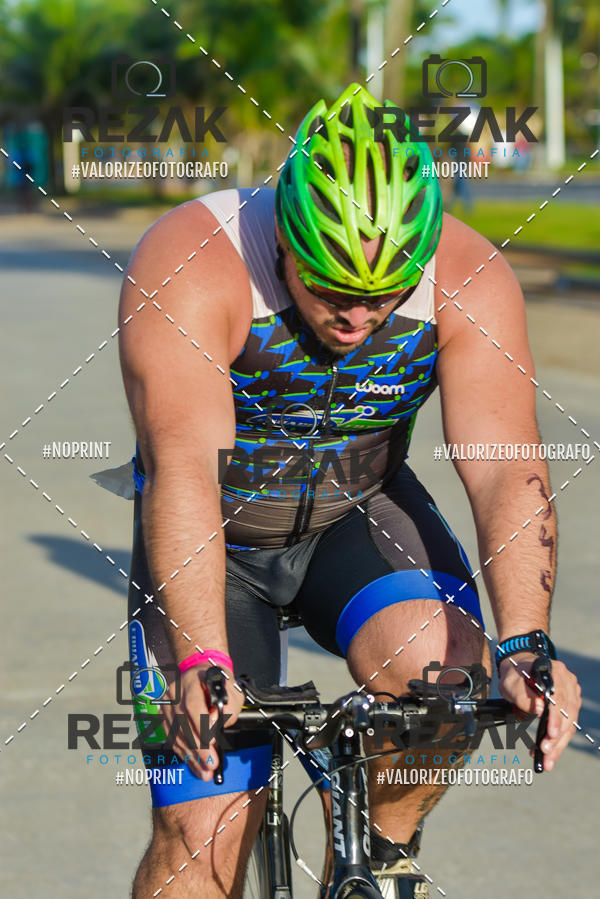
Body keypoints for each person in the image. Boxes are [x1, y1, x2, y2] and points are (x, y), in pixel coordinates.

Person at [117, 84, 581, 898]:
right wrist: (201, 658)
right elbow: (184, 465)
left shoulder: (470, 277)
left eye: (384, 294)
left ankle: (375, 856)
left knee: (448, 684)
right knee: (206, 830)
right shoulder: (194, 258)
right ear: (283, 235)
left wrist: (527, 642)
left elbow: (507, 466)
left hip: (355, 514)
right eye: (330, 288)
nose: (357, 318)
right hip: (213, 539)